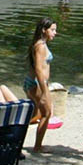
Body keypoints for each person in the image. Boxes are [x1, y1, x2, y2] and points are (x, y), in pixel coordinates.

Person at [23, 17, 57, 153]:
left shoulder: (40, 43)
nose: (55, 33)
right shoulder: (40, 46)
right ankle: (37, 146)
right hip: (36, 83)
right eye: (53, 30)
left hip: (36, 83)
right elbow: (38, 68)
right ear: (44, 30)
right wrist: (44, 91)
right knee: (46, 113)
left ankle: (22, 141)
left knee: (36, 113)